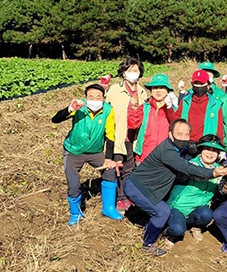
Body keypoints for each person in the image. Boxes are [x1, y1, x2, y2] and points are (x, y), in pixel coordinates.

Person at [123, 119, 227, 257]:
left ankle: (152, 226)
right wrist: (216, 172)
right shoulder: (168, 152)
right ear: (170, 134)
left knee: (161, 211)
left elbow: (192, 147)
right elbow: (188, 168)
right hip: (137, 186)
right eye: (179, 134)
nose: (183, 138)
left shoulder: (180, 148)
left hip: (150, 188)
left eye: (186, 134)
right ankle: (148, 244)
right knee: (162, 212)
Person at [52, 84, 123, 225]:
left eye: (98, 97)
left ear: (104, 98)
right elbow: (55, 119)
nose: (95, 99)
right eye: (91, 97)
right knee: (73, 185)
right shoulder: (79, 107)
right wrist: (70, 109)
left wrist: (108, 159)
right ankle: (75, 213)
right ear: (85, 98)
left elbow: (110, 136)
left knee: (110, 172)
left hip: (95, 152)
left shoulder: (108, 110)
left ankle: (108, 208)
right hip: (73, 152)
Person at [164, 135, 225, 248]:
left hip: (199, 208)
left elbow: (222, 190)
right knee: (177, 230)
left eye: (214, 150)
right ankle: (170, 233)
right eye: (207, 149)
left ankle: (196, 227)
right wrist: (213, 174)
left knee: (207, 215)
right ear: (200, 150)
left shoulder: (219, 169)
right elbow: (197, 175)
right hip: (179, 207)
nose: (210, 153)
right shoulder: (190, 164)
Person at [106, 57, 148, 213]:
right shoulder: (114, 90)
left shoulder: (142, 91)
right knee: (114, 167)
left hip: (133, 137)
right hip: (116, 136)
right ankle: (112, 199)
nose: (132, 73)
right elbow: (107, 111)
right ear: (123, 72)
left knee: (129, 168)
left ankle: (124, 198)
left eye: (135, 70)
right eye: (129, 70)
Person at [165, 70, 224, 157]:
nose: (199, 87)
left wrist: (220, 146)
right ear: (192, 84)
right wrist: (169, 108)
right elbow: (176, 121)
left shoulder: (216, 104)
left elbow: (219, 128)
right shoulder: (185, 101)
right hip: (186, 145)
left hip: (205, 147)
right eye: (196, 83)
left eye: (201, 83)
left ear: (208, 85)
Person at [127, 74, 174, 164]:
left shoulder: (172, 109)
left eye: (162, 88)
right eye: (155, 88)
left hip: (165, 156)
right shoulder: (144, 107)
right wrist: (133, 109)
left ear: (167, 91)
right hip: (145, 155)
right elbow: (133, 125)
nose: (158, 91)